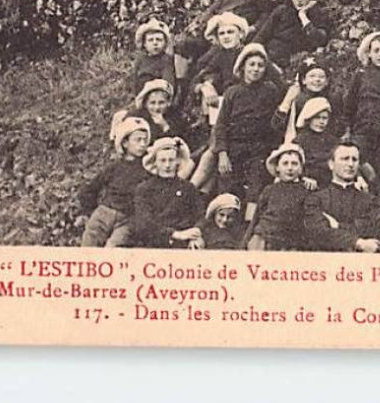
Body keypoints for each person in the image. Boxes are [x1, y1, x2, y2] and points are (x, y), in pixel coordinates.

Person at [192, 42, 282, 198]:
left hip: (258, 149)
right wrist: (222, 153)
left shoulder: (270, 90)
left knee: (255, 186)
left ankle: (249, 221)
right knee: (228, 184)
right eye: (251, 64)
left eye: (260, 65)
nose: (255, 69)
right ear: (242, 67)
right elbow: (221, 124)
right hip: (234, 147)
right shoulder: (232, 92)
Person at [77, 116, 152, 248]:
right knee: (88, 245)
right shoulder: (115, 167)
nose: (142, 144)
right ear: (125, 143)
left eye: (145, 140)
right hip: (105, 212)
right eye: (138, 140)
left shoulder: (148, 169)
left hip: (126, 219)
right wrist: (88, 212)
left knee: (114, 248)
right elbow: (90, 189)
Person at [339, 30, 380, 182]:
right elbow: (349, 105)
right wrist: (347, 128)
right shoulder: (361, 75)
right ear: (369, 54)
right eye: (376, 51)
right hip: (363, 125)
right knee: (360, 158)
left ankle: (378, 196)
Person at [303, 142, 380, 252]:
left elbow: (370, 230)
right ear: (331, 164)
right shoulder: (315, 199)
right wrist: (358, 242)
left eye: (354, 160)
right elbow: (318, 233)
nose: (350, 164)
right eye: (345, 159)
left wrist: (337, 226)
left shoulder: (370, 201)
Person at [129, 138, 204, 249]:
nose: (167, 165)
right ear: (155, 162)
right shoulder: (144, 189)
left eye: (171, 160)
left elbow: (200, 215)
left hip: (185, 244)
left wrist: (196, 233)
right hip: (155, 245)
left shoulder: (188, 188)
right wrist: (175, 234)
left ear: (178, 161)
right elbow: (144, 224)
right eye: (162, 160)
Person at [245, 142, 316, 250]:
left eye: (294, 164)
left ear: (301, 168)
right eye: (285, 163)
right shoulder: (269, 189)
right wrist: (245, 242)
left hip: (289, 242)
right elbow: (256, 217)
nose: (290, 168)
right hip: (263, 239)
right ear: (277, 167)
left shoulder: (306, 190)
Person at [128, 18, 178, 101]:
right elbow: (134, 82)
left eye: (159, 40)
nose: (155, 43)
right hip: (140, 98)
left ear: (164, 43)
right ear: (144, 44)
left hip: (158, 100)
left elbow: (167, 84)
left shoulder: (166, 60)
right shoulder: (140, 60)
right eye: (150, 40)